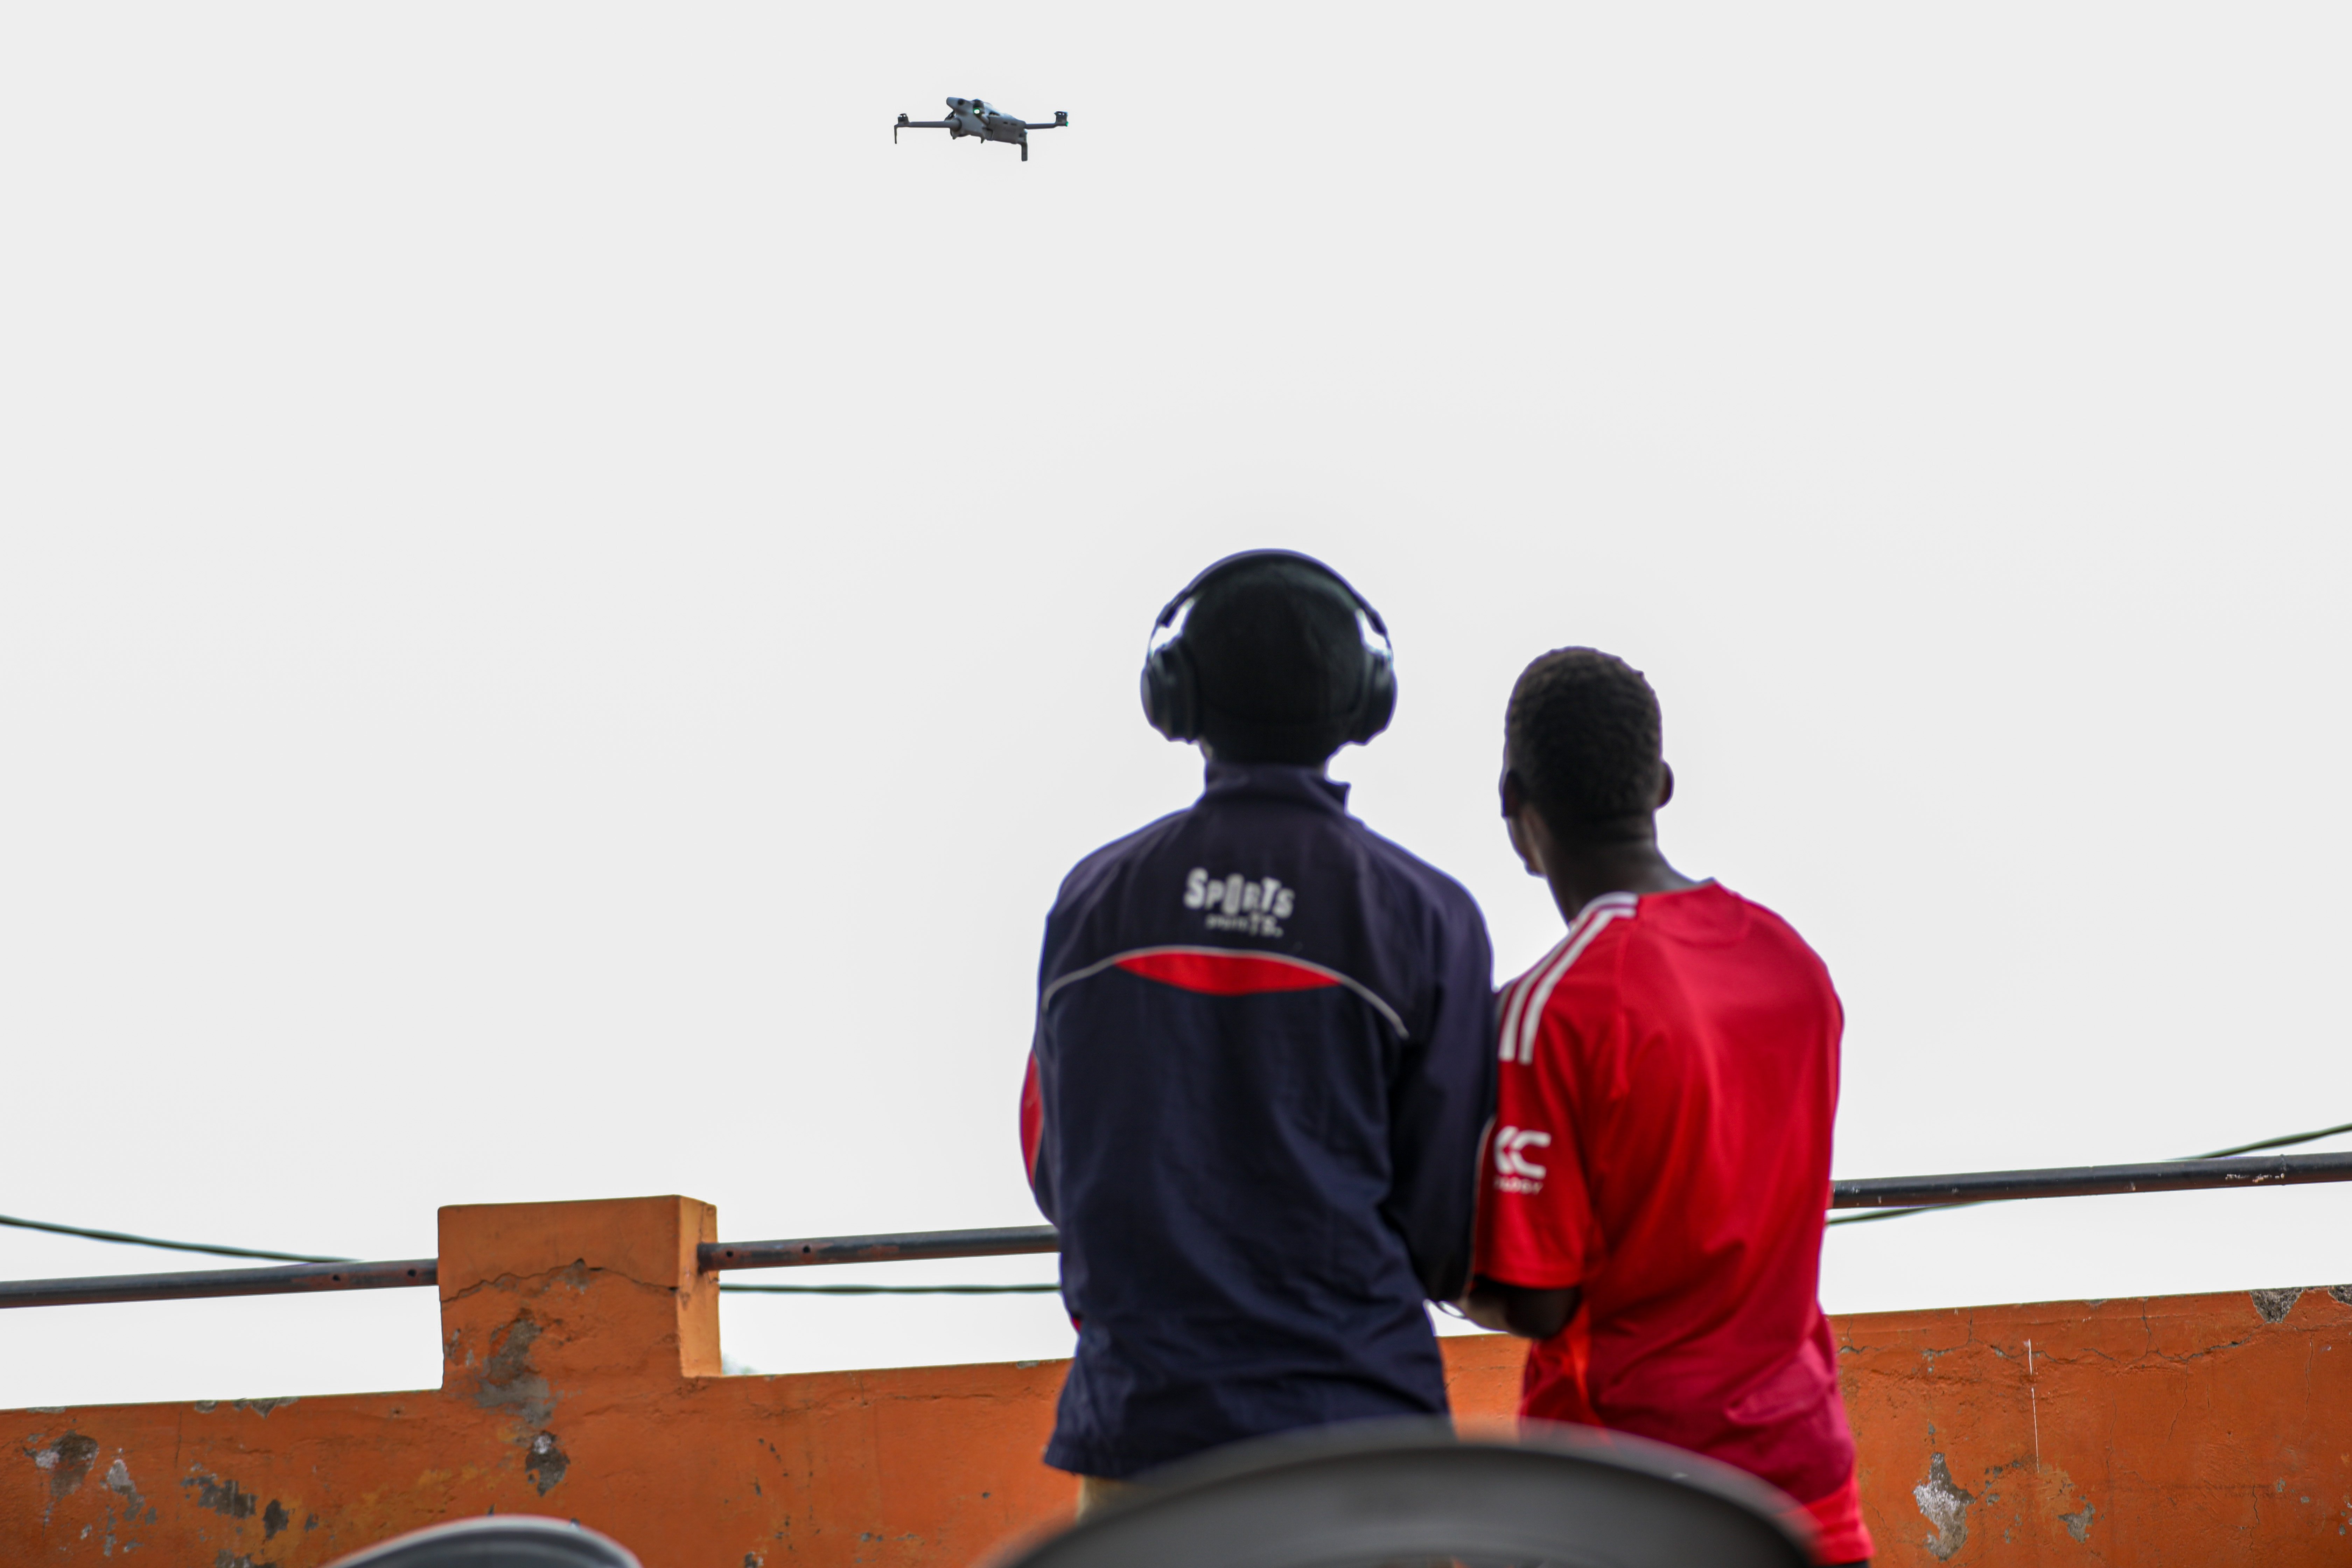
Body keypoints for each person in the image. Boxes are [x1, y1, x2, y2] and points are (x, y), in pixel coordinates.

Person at [1020, 550, 1497, 1510]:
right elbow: (1448, 1227)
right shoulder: (1426, 916)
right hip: (1361, 1441)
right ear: (1366, 701)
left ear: (1175, 695)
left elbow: (1055, 1167)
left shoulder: (1093, 903)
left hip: (1139, 1435)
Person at [1464, 648, 1873, 1567]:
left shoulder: (1549, 1009)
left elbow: (1535, 1298)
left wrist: (1430, 1260)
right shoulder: (1793, 965)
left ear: (1513, 807)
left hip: (1628, 1503)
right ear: (1661, 785)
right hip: (1806, 1487)